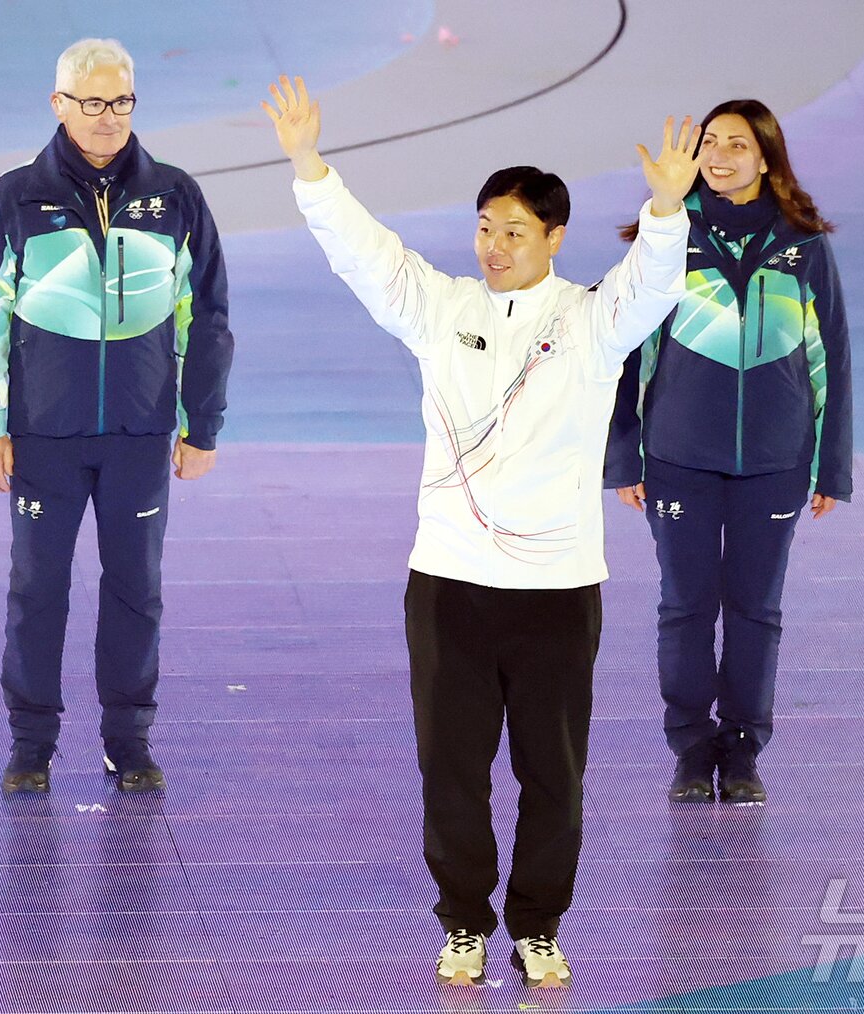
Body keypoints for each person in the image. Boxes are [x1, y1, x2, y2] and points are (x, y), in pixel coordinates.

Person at [262, 75, 699, 989]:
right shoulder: (443, 309)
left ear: (553, 239)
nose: (495, 247)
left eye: (515, 233)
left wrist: (666, 210)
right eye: (485, 229)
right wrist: (310, 166)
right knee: (451, 772)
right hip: (450, 584)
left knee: (554, 776)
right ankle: (464, 922)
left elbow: (654, 284)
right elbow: (367, 256)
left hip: (556, 590)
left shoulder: (591, 324)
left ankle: (536, 926)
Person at [0, 38, 234, 795]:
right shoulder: (12, 199)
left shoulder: (175, 196)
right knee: (37, 587)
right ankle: (31, 745)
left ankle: (128, 741)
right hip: (42, 436)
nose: (107, 117)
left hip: (141, 435)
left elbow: (207, 313)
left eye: (119, 102)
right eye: (90, 102)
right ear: (59, 105)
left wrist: (201, 424)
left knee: (136, 588)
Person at [605, 99, 852, 806]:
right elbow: (624, 349)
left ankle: (743, 746)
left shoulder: (804, 246)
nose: (719, 154)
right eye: (710, 142)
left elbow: (831, 356)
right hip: (679, 458)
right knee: (685, 605)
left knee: (755, 608)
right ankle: (691, 746)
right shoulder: (666, 237)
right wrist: (627, 456)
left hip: (775, 463)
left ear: (767, 159)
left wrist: (829, 465)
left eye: (736, 144)